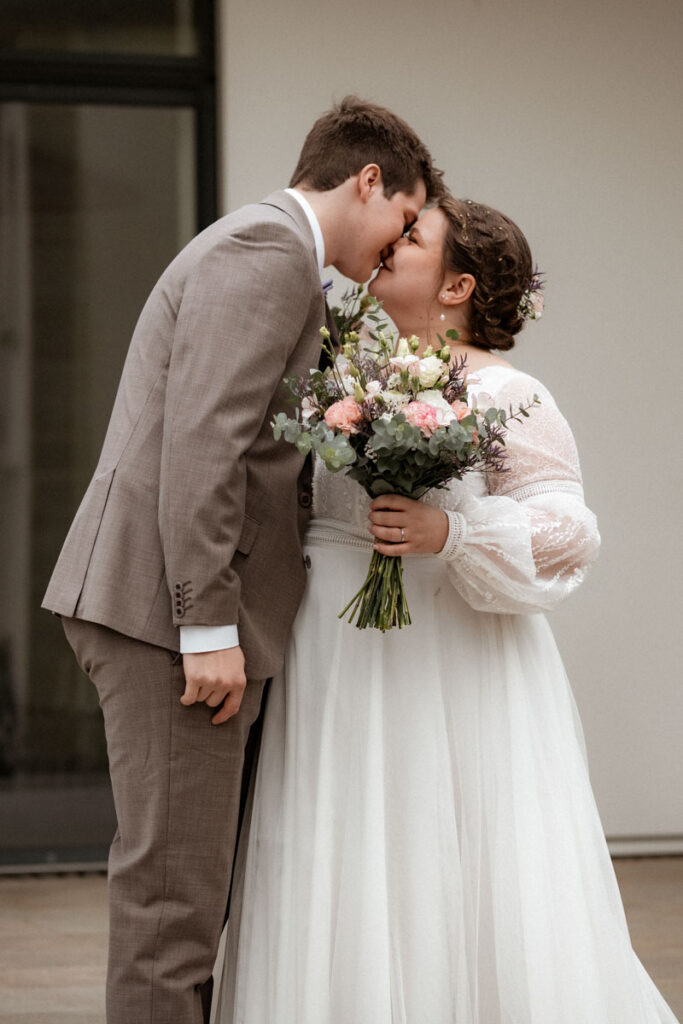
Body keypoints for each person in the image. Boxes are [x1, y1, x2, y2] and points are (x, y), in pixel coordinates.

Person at [216, 197, 679, 1022]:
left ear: (457, 285)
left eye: (413, 236)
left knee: (448, 847)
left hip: (454, 665)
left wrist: (453, 533)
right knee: (343, 844)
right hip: (333, 657)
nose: (390, 241)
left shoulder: (511, 393)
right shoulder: (344, 378)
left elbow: (569, 532)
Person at [41, 97, 443, 1024]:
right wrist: (206, 626)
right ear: (367, 180)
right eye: (405, 216)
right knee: (173, 909)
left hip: (169, 613)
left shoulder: (273, 252)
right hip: (163, 618)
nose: (400, 241)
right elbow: (204, 443)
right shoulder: (267, 251)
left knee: (193, 897)